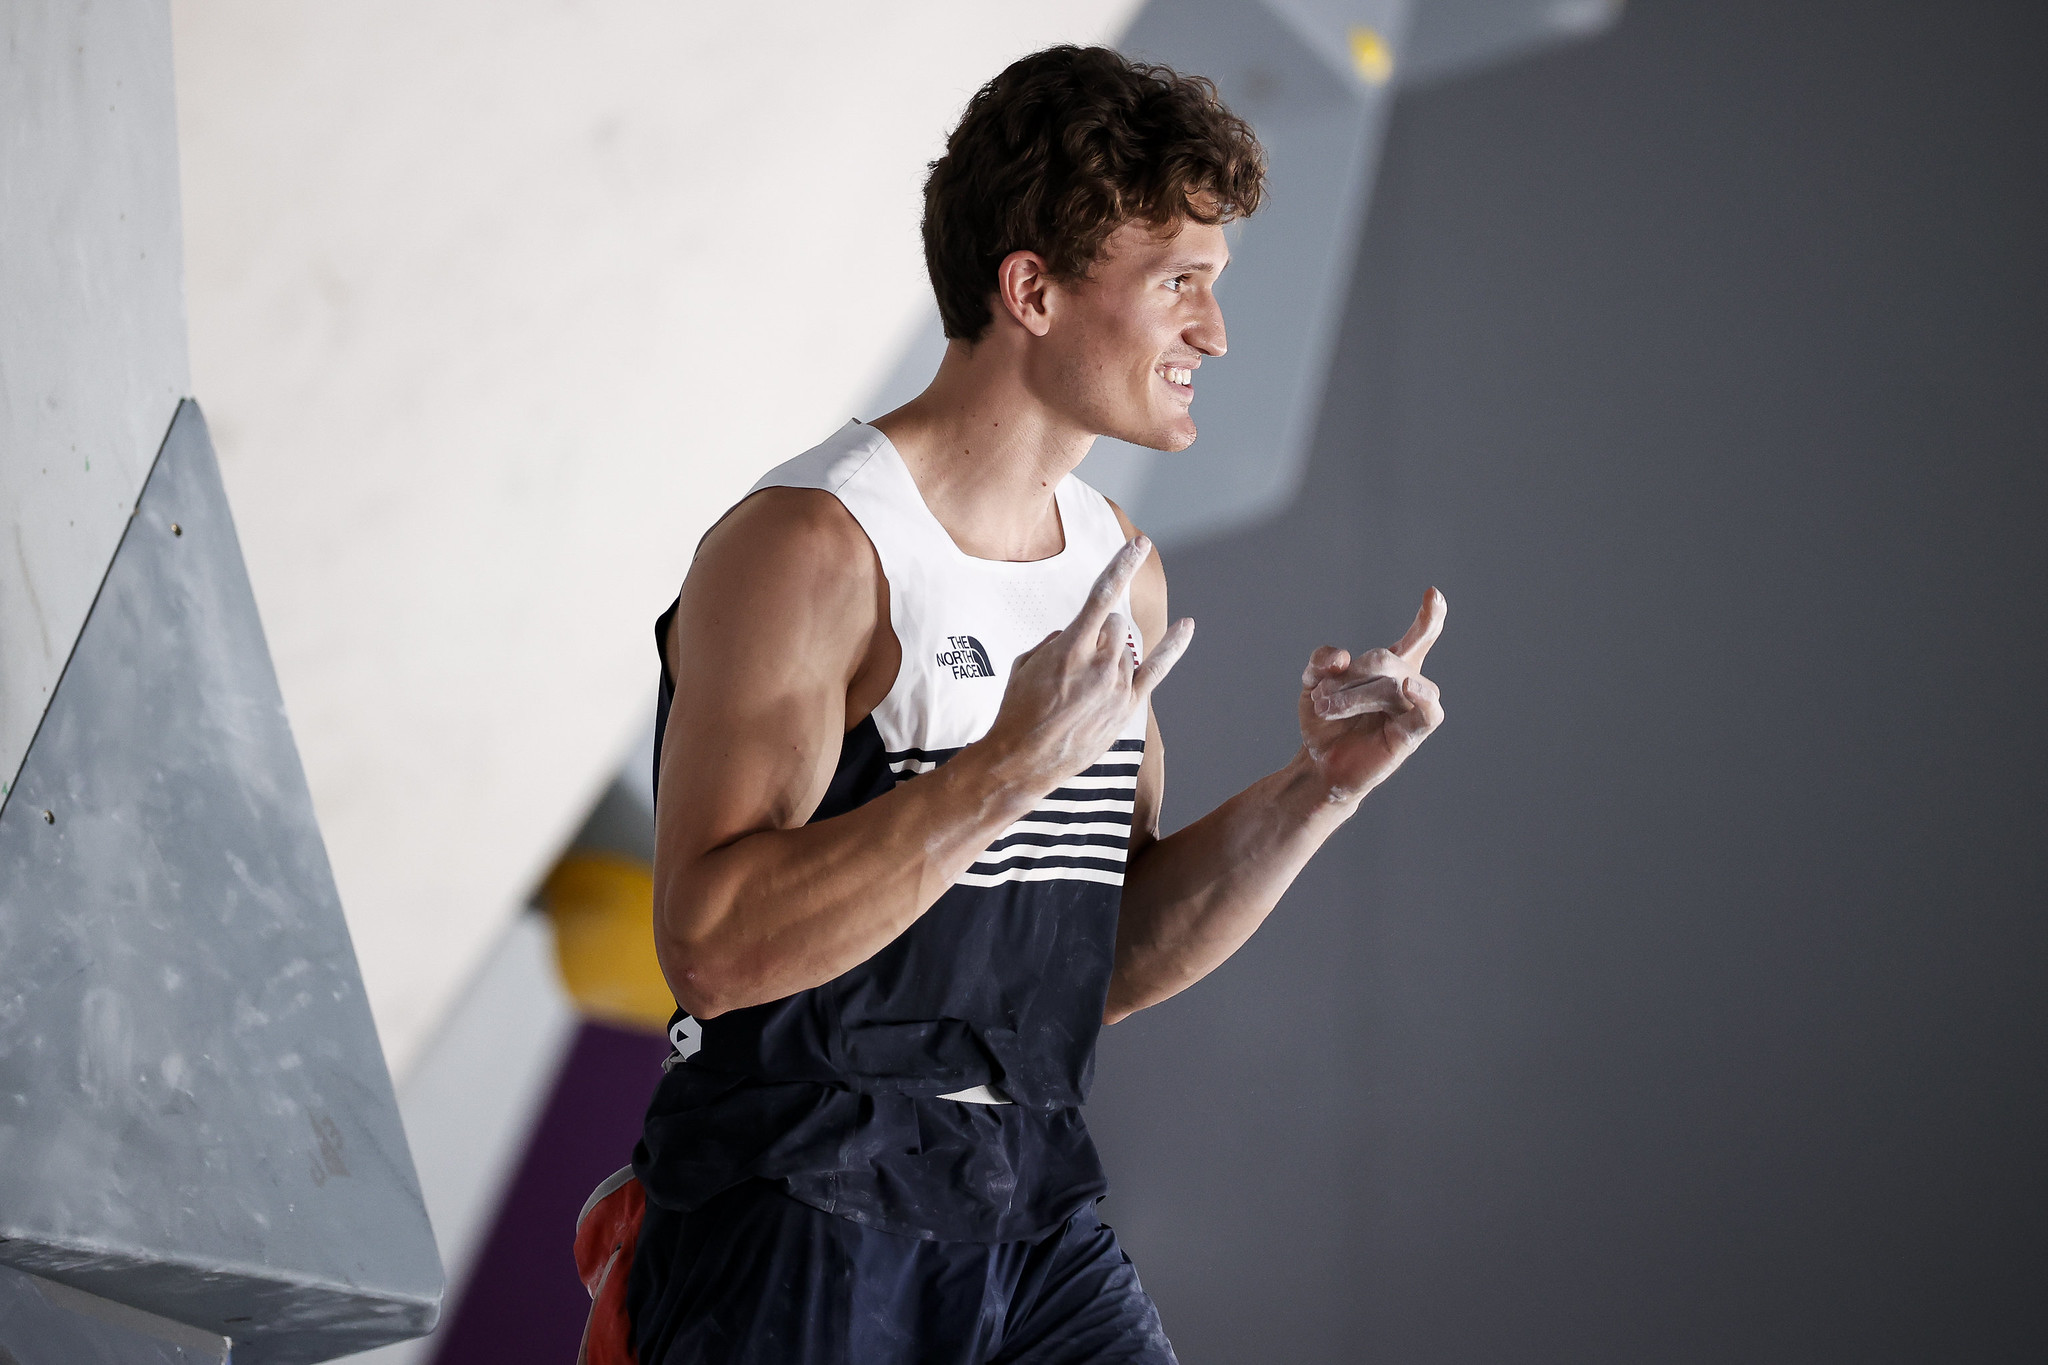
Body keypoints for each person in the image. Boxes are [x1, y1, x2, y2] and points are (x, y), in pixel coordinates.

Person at [616, 44, 1446, 1365]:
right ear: (1033, 291)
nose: (1215, 333)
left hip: (1025, 1206)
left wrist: (1315, 789)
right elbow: (711, 948)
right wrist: (1000, 770)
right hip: (797, 1209)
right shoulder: (814, 550)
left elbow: (1099, 961)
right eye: (1180, 284)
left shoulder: (1113, 564)